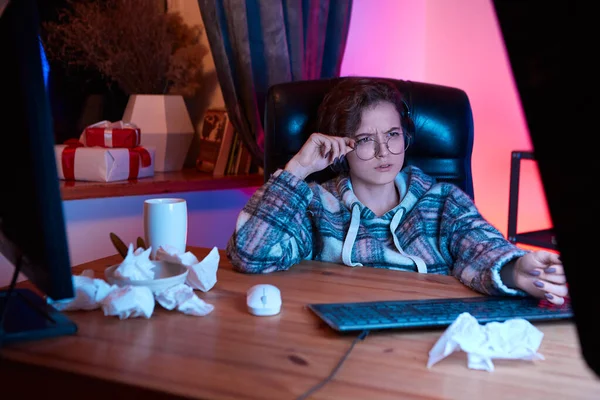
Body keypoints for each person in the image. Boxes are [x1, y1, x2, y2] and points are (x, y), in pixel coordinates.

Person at [226, 77, 568, 306]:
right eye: (364, 140)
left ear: (406, 137)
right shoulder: (317, 205)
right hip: (336, 347)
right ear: (341, 146)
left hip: (425, 341)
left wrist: (517, 269)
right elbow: (251, 255)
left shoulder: (443, 202)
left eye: (392, 135)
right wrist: (297, 169)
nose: (383, 152)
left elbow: (482, 247)